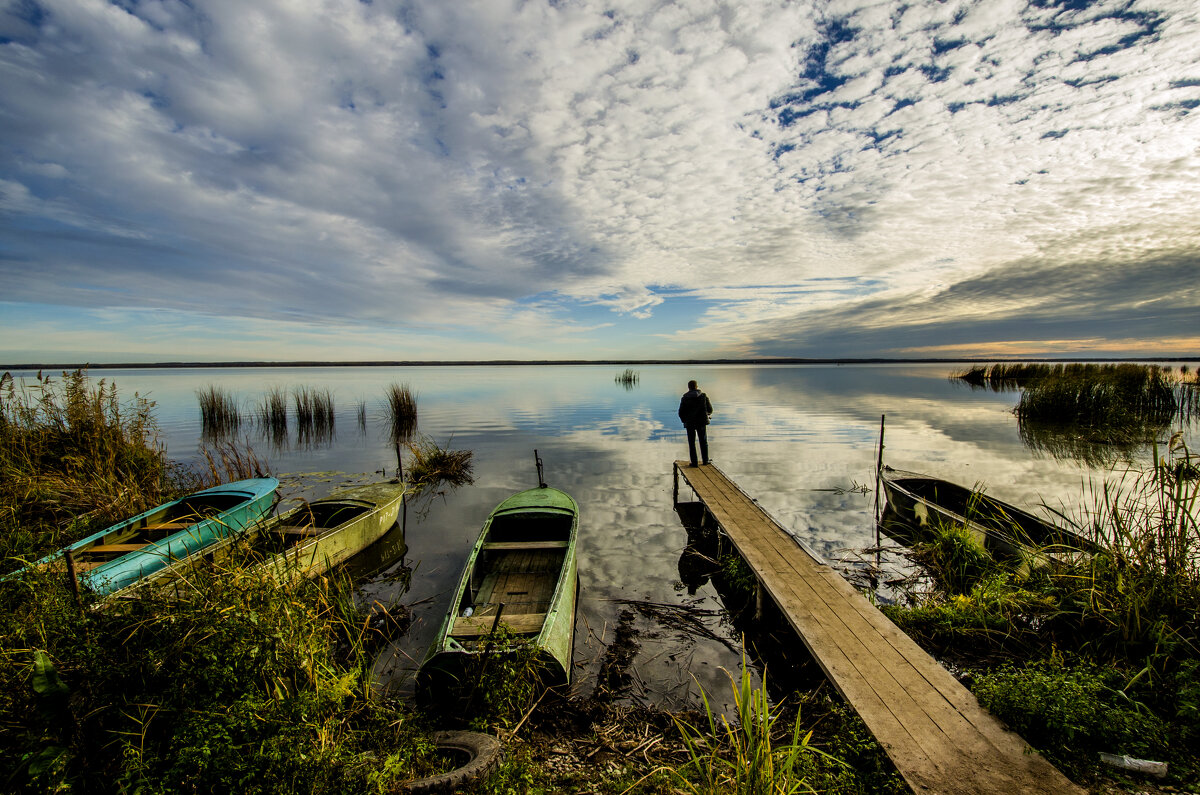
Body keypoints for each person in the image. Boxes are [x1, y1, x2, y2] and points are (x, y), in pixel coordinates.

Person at [677, 379, 713, 466]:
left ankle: (694, 462)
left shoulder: (685, 398)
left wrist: (684, 421)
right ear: (697, 387)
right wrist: (707, 414)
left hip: (689, 423)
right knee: (703, 442)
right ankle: (705, 461)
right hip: (701, 422)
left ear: (689, 388)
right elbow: (710, 410)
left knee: (691, 443)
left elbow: (680, 412)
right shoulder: (703, 396)